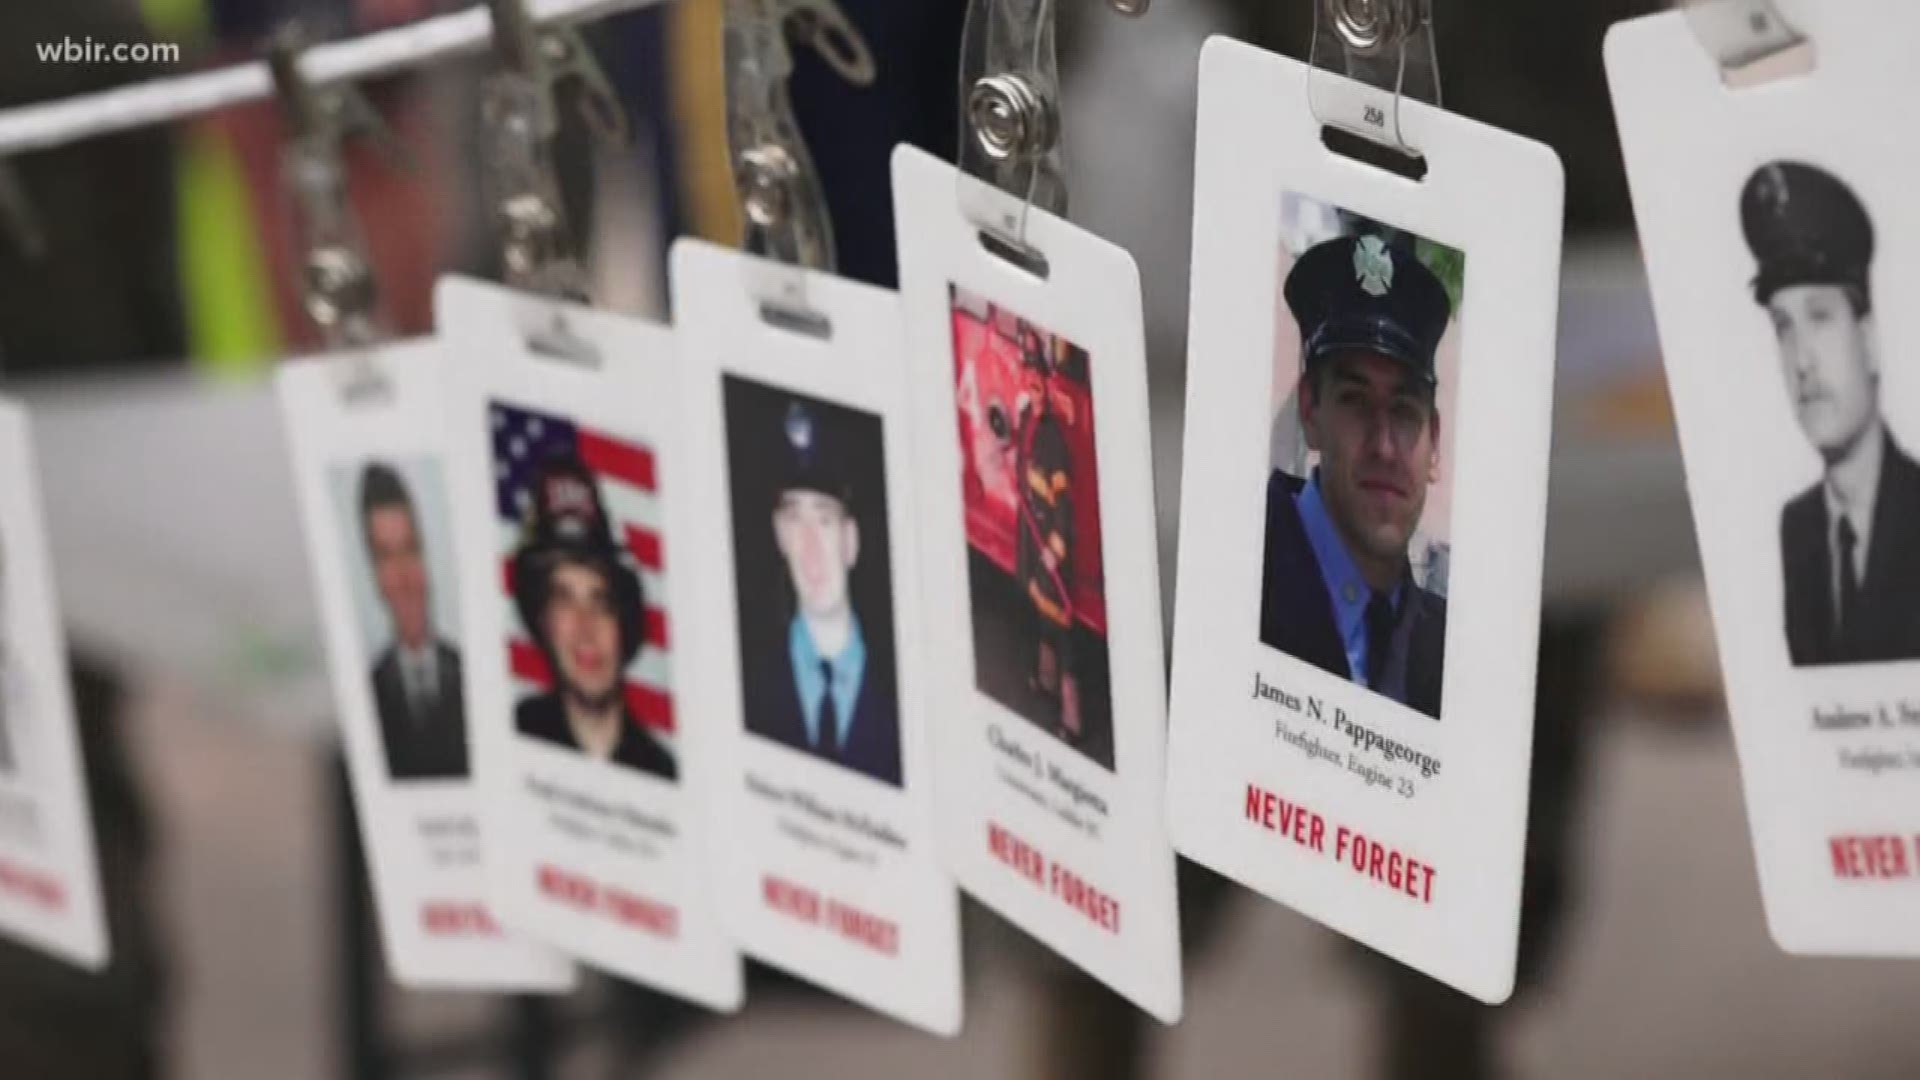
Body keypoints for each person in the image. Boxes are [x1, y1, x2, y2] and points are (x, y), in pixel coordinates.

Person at [1260, 232, 1449, 719]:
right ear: (1310, 410)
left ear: (1435, 441)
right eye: (1356, 402)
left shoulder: (1446, 649)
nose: (1384, 447)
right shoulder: (1242, 568)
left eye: (1405, 411)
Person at [1740, 161, 1920, 667]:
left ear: (1867, 338)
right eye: (1783, 327)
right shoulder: (1798, 530)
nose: (1802, 360)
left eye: (1820, 318)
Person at [741, 399, 902, 786]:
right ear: (779, 534)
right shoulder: (750, 685)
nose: (810, 547)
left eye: (825, 521)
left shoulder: (899, 688)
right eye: (796, 520)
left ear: (851, 541)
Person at [512, 454, 676, 780]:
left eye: (601, 602)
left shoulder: (661, 770)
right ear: (543, 622)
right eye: (565, 601)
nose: (585, 629)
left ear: (624, 624)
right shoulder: (515, 733)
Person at [358, 463, 468, 781]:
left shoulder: (471, 674)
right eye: (386, 557)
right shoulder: (367, 696)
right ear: (375, 577)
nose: (404, 576)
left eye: (411, 550)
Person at [1013, 324, 1087, 748]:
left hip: (1053, 549)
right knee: (1042, 617)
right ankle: (1044, 683)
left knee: (1063, 629)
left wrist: (1056, 552)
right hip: (1033, 540)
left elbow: (1064, 508)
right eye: (1027, 381)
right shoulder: (1026, 422)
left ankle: (1073, 721)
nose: (1032, 388)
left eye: (1037, 381)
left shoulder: (1054, 440)